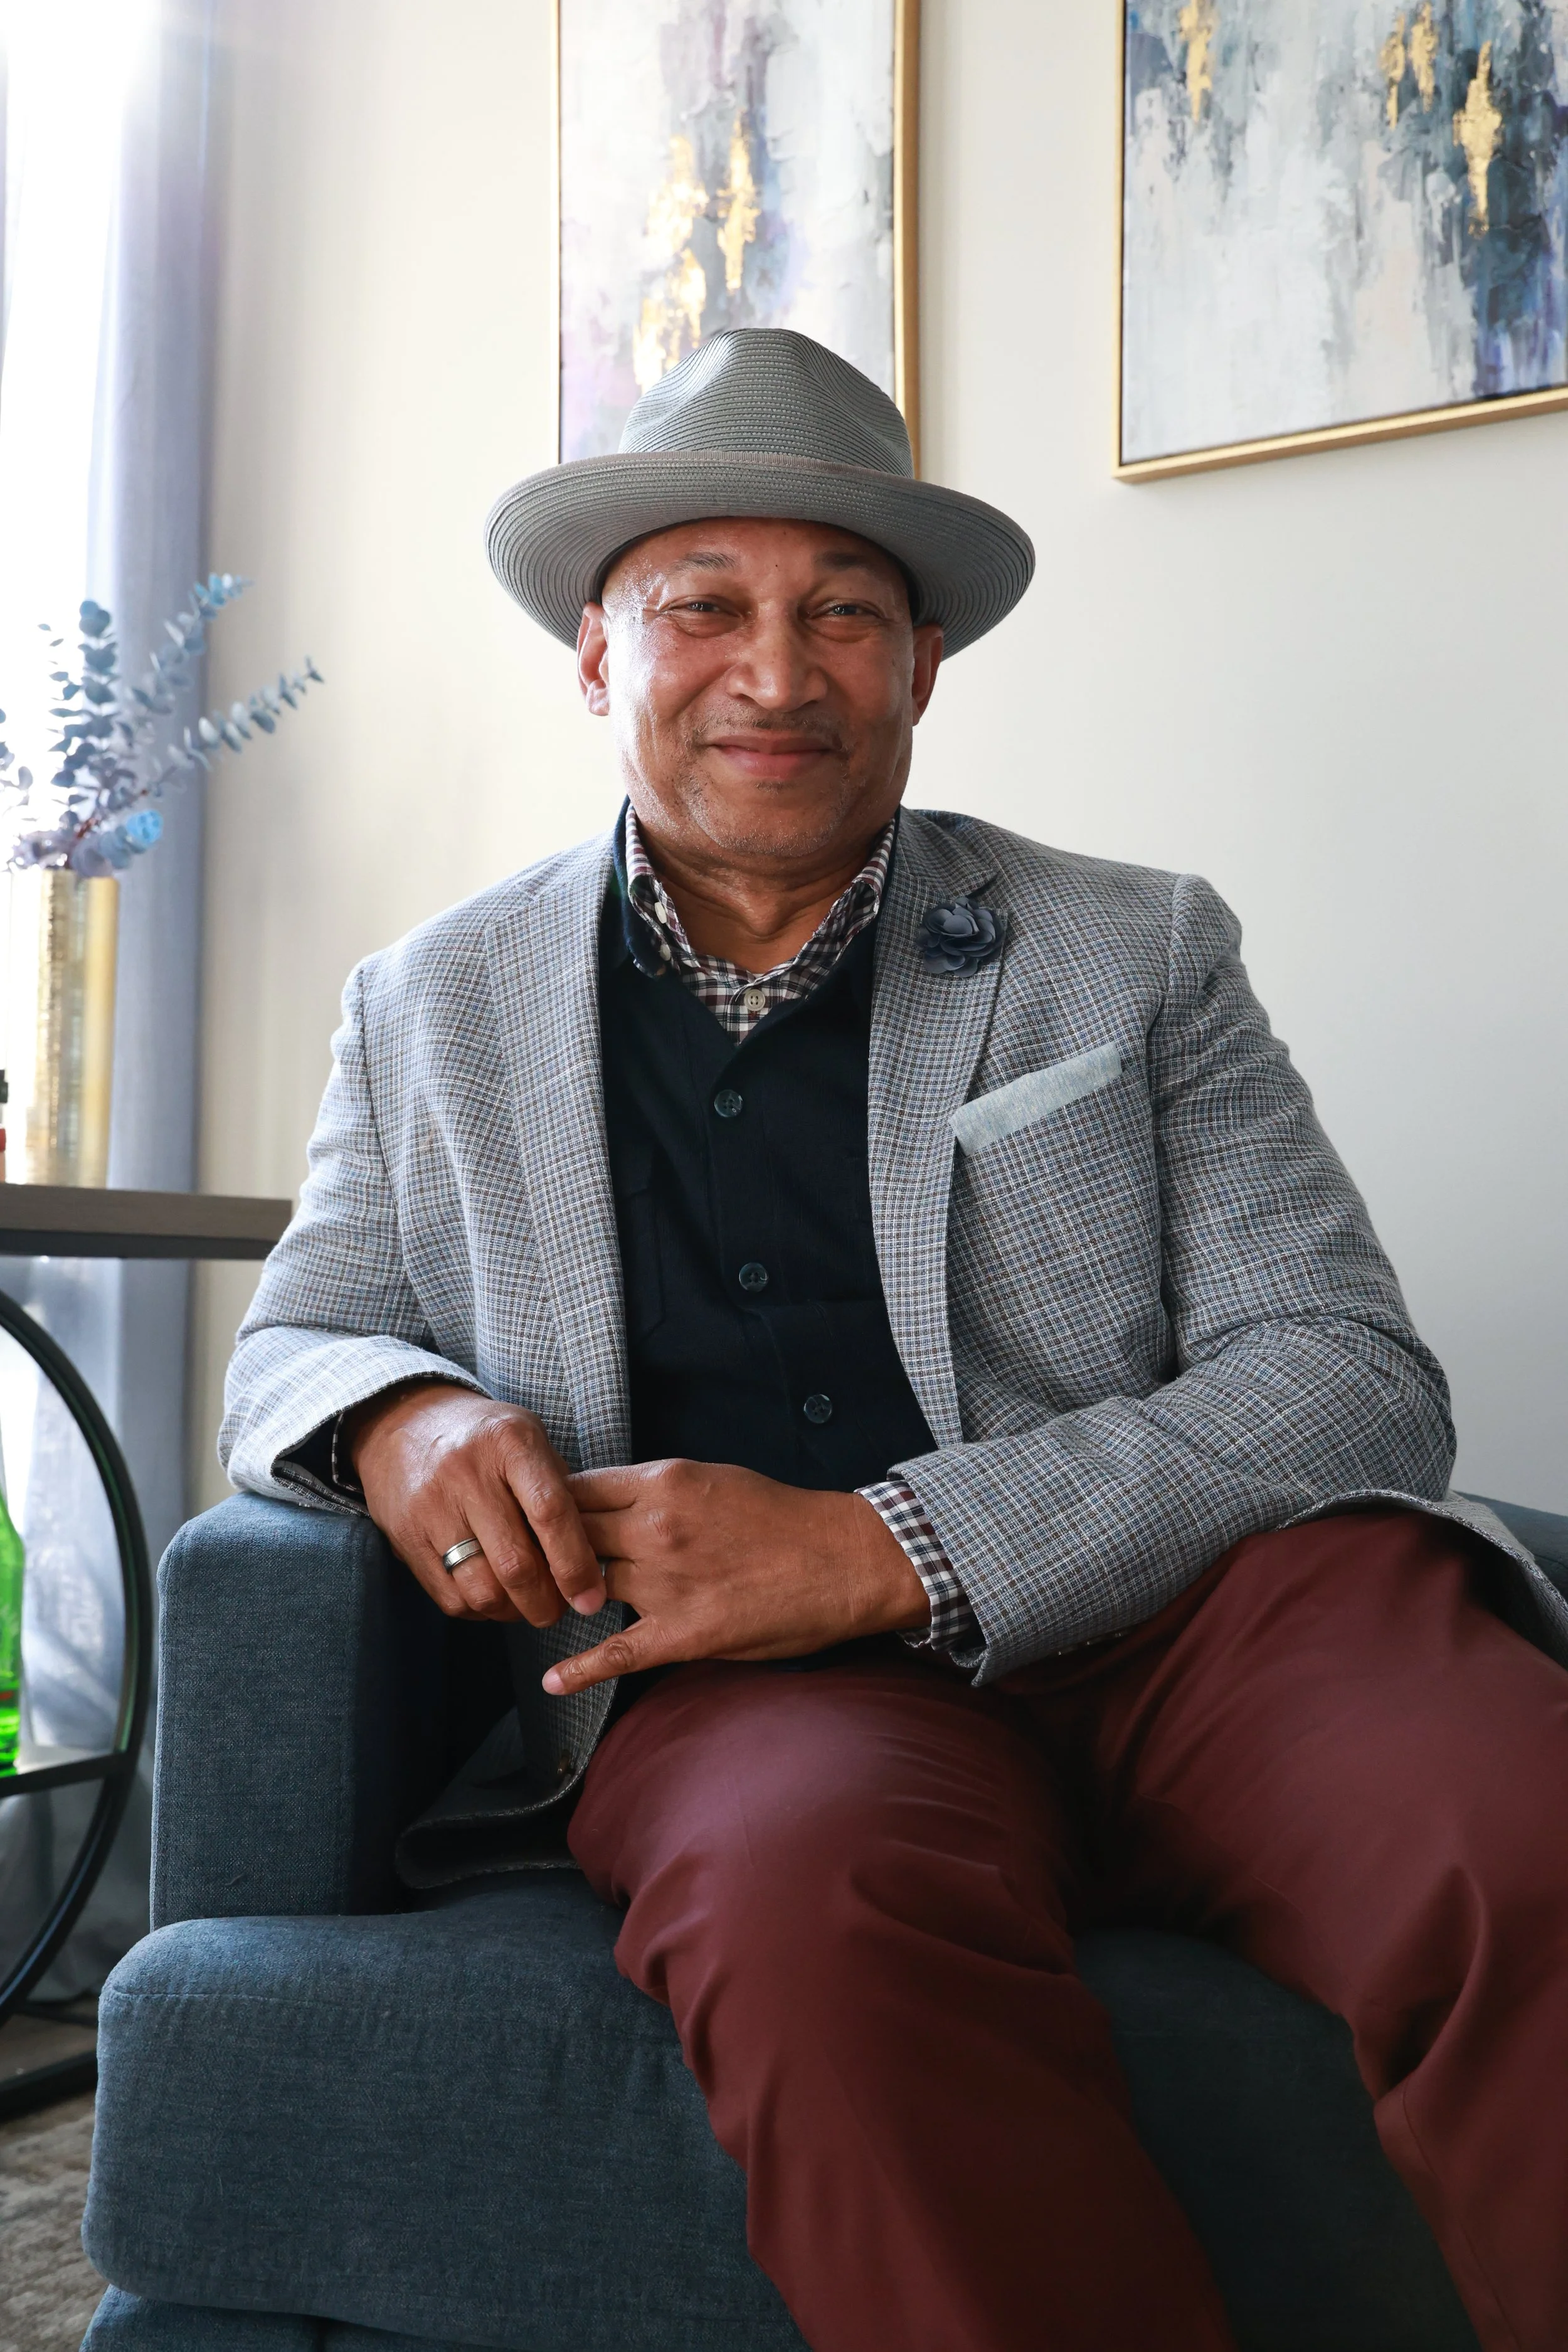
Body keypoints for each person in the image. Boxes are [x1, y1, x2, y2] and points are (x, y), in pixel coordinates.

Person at [221, 329, 1568, 2352]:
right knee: (805, 1910)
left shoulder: (1138, 943)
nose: (779, 672)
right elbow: (300, 1331)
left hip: (1212, 1619)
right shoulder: (428, 1003)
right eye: (706, 607)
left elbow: (1346, 1370)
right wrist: (394, 1415)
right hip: (757, 1699)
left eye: (843, 612)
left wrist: (887, 1544)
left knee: (1515, 1826)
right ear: (596, 654)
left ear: (921, 666)